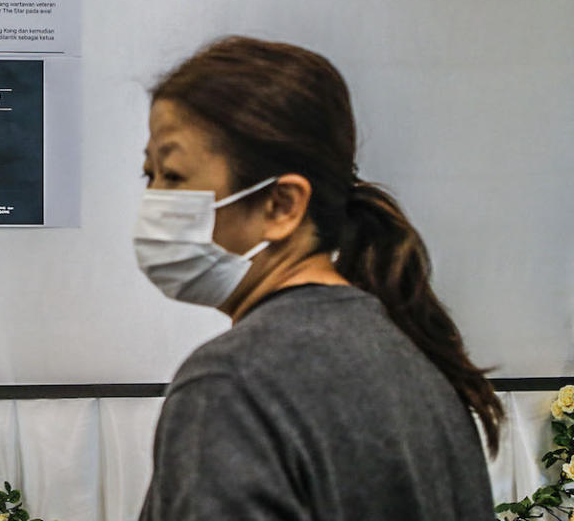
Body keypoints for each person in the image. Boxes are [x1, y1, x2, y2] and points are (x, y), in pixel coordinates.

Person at [135, 37, 503, 520]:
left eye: (175, 177)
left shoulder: (233, 384)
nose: (155, 202)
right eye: (150, 176)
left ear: (281, 205)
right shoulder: (418, 362)